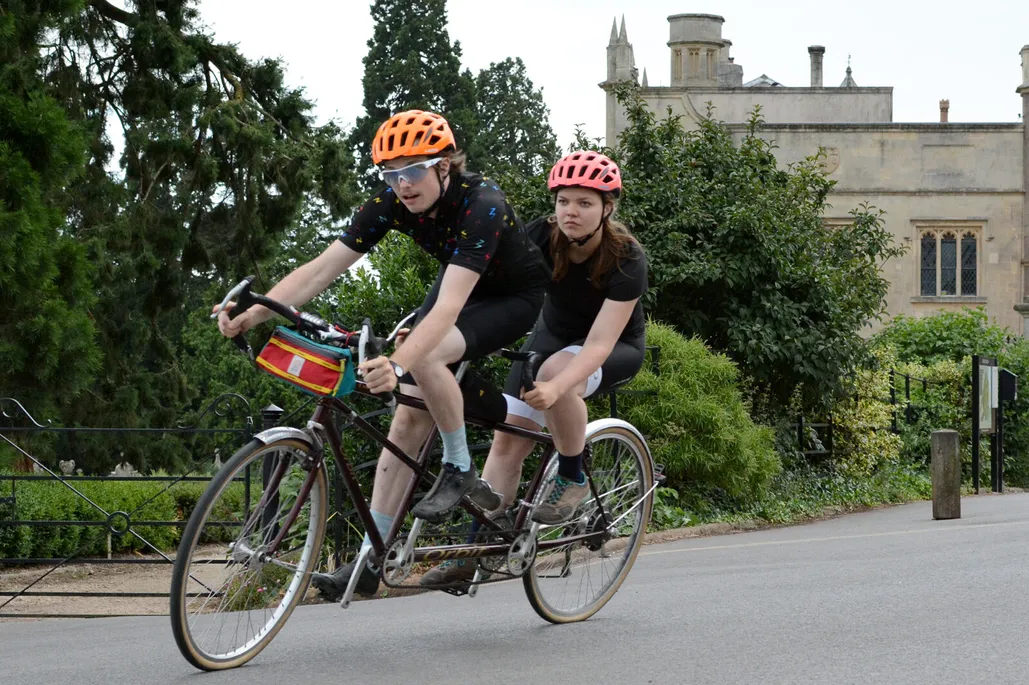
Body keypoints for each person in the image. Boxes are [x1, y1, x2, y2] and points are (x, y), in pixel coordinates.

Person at [216, 110, 550, 600]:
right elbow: (322, 268)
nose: (403, 185)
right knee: (406, 418)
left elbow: (451, 306)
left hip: (513, 298)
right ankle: (373, 559)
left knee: (421, 356)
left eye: (413, 170)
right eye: (390, 174)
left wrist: (398, 364)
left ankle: (459, 467)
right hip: (460, 281)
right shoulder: (390, 201)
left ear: (444, 167)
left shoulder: (484, 204)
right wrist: (256, 312)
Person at [419, 150, 649, 587]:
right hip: (551, 336)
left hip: (614, 345)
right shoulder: (541, 237)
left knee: (554, 378)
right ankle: (475, 550)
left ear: (607, 208)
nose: (571, 211)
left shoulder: (627, 259)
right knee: (507, 441)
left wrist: (559, 384)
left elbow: (599, 344)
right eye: (564, 201)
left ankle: (572, 476)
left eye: (585, 202)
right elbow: (488, 288)